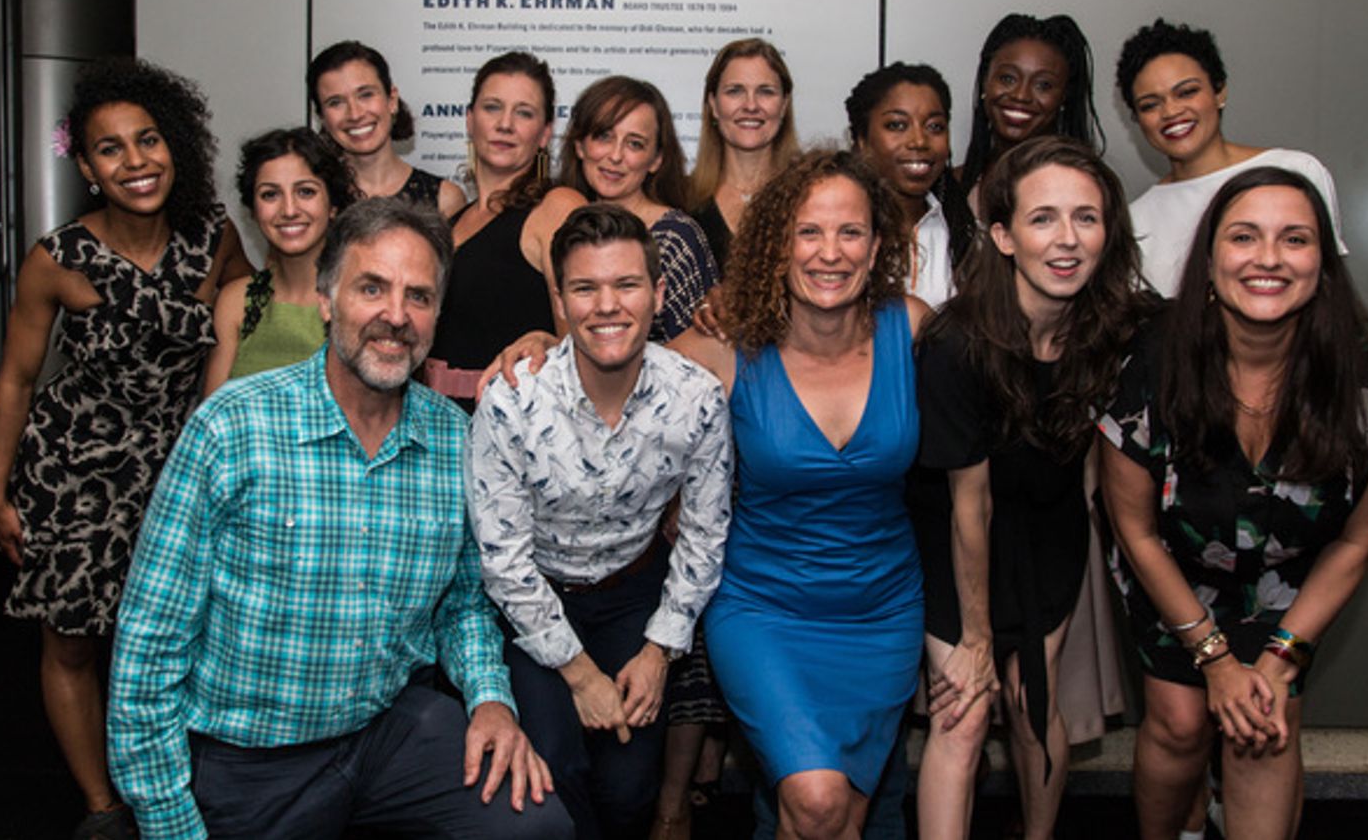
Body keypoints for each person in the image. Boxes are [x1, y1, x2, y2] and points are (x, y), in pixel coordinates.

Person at [107, 197, 572, 840]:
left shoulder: (454, 441)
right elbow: (146, 651)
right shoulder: (233, 427)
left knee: (535, 826)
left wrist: (490, 697)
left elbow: (463, 602)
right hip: (251, 758)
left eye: (418, 296)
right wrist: (167, 823)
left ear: (437, 315)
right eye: (372, 288)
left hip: (386, 732)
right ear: (326, 300)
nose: (395, 316)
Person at [0, 58, 250, 839]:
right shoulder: (57, 257)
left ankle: (174, 785)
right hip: (72, 476)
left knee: (174, 641)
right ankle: (103, 807)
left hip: (178, 471)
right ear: (87, 165)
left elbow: (255, 320)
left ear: (176, 146)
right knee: (71, 642)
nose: (136, 162)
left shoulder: (215, 239)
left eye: (149, 140)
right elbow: (14, 382)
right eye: (112, 149)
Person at [1098, 167, 1368, 840]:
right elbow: (1135, 530)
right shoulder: (1151, 358)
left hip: (1291, 577)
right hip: (1171, 558)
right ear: (1210, 259)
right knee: (1178, 721)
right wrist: (1216, 657)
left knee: (1264, 721)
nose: (1267, 258)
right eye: (1244, 237)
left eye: (1295, 239)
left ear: (1323, 263)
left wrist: (1278, 658)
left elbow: (1354, 543)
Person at [673, 149, 930, 840]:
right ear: (777, 245)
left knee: (835, 814)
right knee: (818, 801)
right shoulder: (728, 345)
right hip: (766, 609)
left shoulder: (915, 328)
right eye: (808, 232)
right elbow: (613, 366)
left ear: (878, 246)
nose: (830, 252)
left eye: (850, 232)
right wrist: (539, 338)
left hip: (883, 613)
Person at [912, 136, 1154, 840]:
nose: (1068, 238)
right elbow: (969, 503)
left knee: (1033, 697)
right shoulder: (958, 344)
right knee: (963, 707)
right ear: (1003, 234)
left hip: (1048, 528)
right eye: (1044, 218)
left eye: (1087, 217)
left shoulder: (1115, 328)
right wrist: (979, 637)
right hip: (953, 532)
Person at [469, 203, 733, 840]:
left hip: (632, 599)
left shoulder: (697, 398)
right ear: (558, 300)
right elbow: (502, 560)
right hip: (534, 600)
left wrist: (659, 652)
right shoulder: (511, 401)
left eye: (627, 285)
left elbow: (704, 534)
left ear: (658, 292)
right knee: (552, 773)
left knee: (629, 787)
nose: (607, 306)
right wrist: (580, 676)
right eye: (585, 288)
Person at [1115, 18, 1348, 296]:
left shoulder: (1294, 171)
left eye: (1187, 92)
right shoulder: (1134, 222)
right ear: (1137, 120)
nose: (1171, 112)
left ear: (1219, 91)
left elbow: (1330, 290)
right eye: (1150, 104)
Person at [423, 51, 584, 408]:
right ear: (469, 119)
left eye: (523, 113)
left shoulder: (556, 208)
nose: (505, 124)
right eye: (492, 107)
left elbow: (584, 345)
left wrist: (545, 340)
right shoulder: (452, 220)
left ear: (544, 133)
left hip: (512, 426)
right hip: (436, 426)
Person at [558, 76, 719, 340]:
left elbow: (697, 357)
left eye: (634, 144)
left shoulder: (675, 239)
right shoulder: (558, 225)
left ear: (656, 159)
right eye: (604, 136)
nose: (616, 156)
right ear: (579, 145)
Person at [203, 127, 355, 394]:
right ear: (252, 210)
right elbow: (210, 421)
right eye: (270, 194)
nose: (289, 210)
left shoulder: (361, 300)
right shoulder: (235, 301)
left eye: (306, 192)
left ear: (333, 205)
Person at [846, 61, 975, 308]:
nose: (919, 141)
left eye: (934, 127)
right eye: (897, 125)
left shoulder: (970, 240)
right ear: (861, 140)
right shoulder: (833, 236)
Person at [957, 13, 1103, 220]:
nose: (1021, 95)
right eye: (1007, 78)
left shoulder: (1084, 187)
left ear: (1064, 97)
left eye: (1043, 85)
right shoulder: (953, 185)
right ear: (985, 82)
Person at [307, 39, 464, 217]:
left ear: (392, 100)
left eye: (366, 95)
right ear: (322, 117)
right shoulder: (312, 198)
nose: (355, 114)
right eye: (336, 102)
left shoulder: (444, 199)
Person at [687, 38, 801, 271]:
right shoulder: (683, 200)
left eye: (765, 92)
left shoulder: (809, 196)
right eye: (735, 91)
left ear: (784, 104)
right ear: (714, 104)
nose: (751, 105)